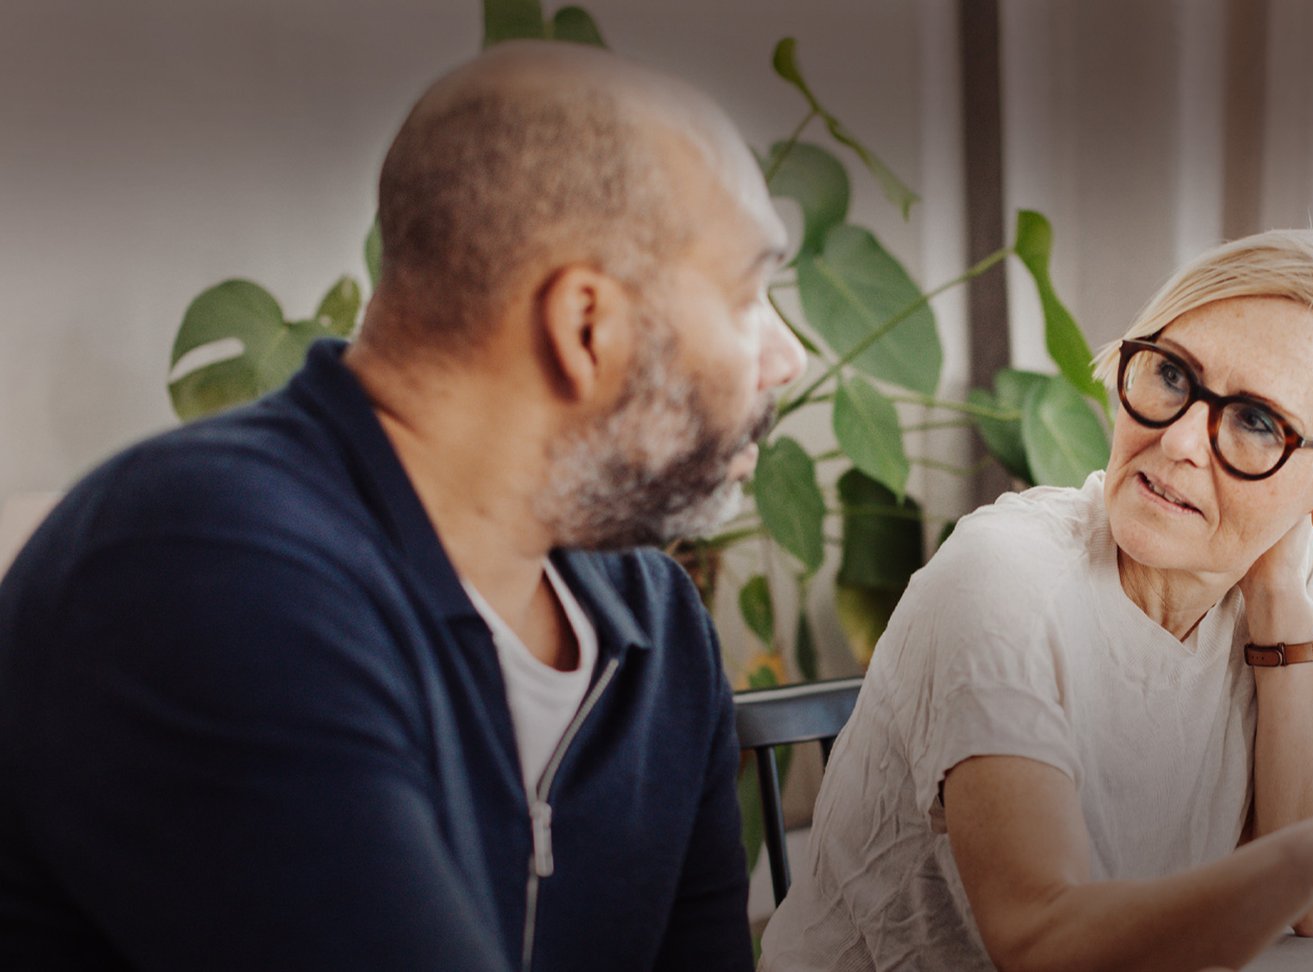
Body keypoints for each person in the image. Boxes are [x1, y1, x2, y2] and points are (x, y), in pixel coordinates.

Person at [0, 42, 805, 970]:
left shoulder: (654, 628)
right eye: (749, 292)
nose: (786, 358)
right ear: (587, 326)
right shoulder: (201, 566)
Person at [759, 230, 1313, 972]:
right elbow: (1037, 937)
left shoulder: (1291, 573)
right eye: (1171, 376)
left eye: (1258, 421)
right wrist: (1312, 853)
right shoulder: (1007, 575)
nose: (1182, 441)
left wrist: (1279, 605)